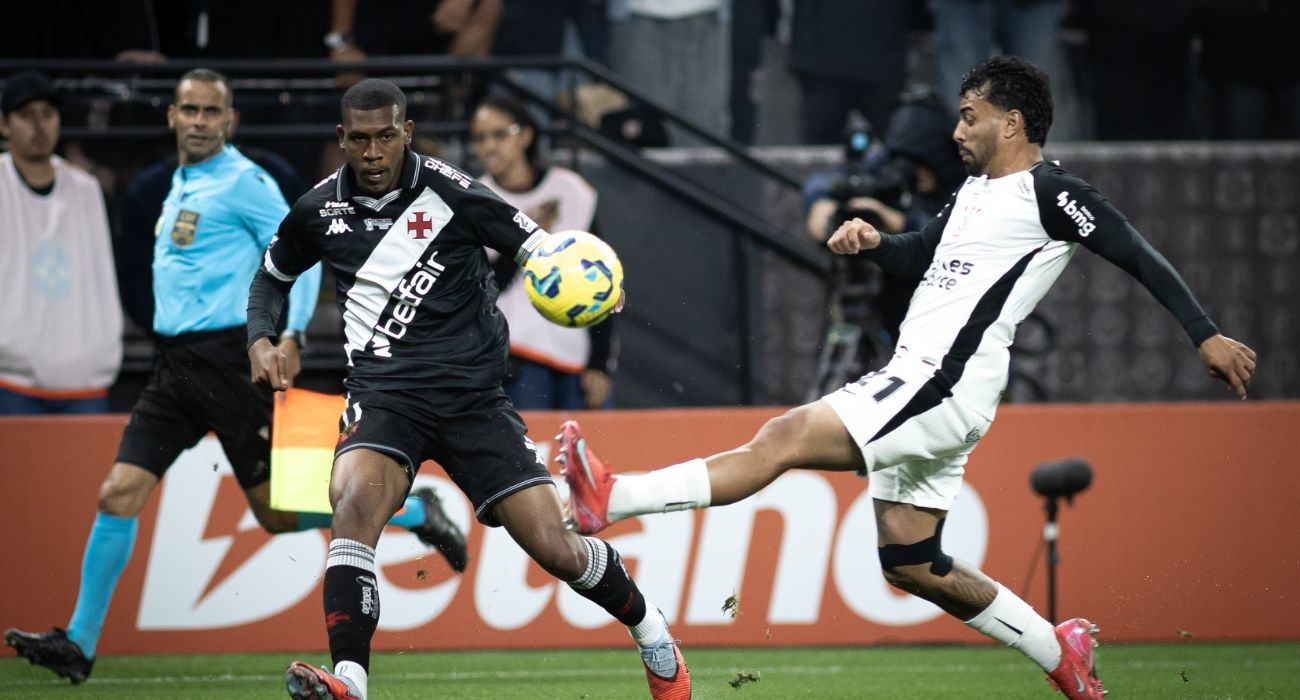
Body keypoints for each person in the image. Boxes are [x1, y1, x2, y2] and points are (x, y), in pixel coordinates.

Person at [557, 56, 1257, 700]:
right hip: (930, 381)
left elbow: (1135, 252)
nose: (958, 130)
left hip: (943, 381)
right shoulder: (974, 193)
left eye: (970, 116)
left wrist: (1205, 334)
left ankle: (613, 498)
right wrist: (873, 243)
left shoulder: (1053, 193)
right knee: (912, 562)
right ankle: (1059, 649)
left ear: (1013, 123)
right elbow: (921, 254)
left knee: (787, 435)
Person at [3, 69, 468, 685]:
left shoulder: (246, 182)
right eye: (188, 110)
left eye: (209, 112)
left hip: (229, 362)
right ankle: (80, 643)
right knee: (117, 492)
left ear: (229, 122)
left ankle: (412, 512)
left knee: (273, 514)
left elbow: (300, 255)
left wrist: (290, 334)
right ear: (172, 116)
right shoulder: (179, 184)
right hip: (175, 367)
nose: (198, 121)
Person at [248, 78, 687, 700]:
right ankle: (350, 680)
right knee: (352, 507)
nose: (373, 153)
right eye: (359, 140)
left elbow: (542, 251)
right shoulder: (316, 211)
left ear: (406, 134)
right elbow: (271, 279)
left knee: (556, 548)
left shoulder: (455, 193)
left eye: (385, 138)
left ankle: (653, 635)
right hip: (384, 396)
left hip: (472, 400)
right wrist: (260, 339)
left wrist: (594, 287)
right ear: (341, 140)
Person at [470, 94, 616, 410]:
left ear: (526, 135)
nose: (489, 146)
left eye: (499, 134)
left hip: (576, 355)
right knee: (531, 458)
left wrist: (601, 362)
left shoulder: (570, 191)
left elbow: (602, 277)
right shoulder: (474, 201)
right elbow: (481, 290)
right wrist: (527, 238)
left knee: (592, 457)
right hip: (516, 358)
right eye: (480, 138)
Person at [0, 70, 123, 415]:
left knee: (86, 471)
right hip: (9, 378)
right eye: (26, 116)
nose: (39, 126)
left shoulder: (85, 188)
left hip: (83, 379)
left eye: (48, 114)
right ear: (4, 125)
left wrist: (99, 352)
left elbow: (101, 278)